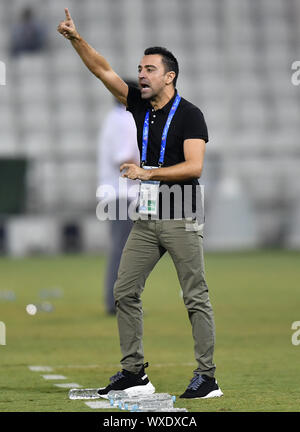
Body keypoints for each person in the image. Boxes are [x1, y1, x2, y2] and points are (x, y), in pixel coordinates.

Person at [58, 8, 223, 400]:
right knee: (124, 290)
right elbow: (102, 71)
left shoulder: (190, 115)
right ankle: (135, 373)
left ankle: (208, 377)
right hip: (148, 217)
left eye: (149, 69)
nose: (142, 75)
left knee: (195, 297)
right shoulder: (138, 107)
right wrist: (75, 39)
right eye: (140, 69)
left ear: (170, 76)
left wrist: (148, 173)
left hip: (181, 214)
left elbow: (194, 166)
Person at [97, 83, 140, 315]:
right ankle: (118, 301)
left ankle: (119, 299)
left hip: (116, 192)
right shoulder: (123, 120)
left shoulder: (113, 119)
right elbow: (124, 160)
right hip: (122, 193)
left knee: (124, 248)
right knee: (125, 249)